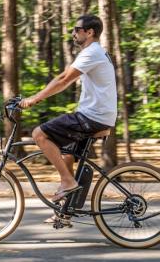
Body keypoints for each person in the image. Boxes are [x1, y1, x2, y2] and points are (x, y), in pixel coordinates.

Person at [19, 14, 117, 202]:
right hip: (98, 115)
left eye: (76, 30)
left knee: (39, 134)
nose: (73, 33)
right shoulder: (95, 52)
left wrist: (34, 99)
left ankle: (67, 181)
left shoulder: (92, 52)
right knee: (67, 156)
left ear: (90, 32)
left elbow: (64, 79)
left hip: (93, 116)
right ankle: (65, 211)